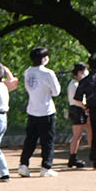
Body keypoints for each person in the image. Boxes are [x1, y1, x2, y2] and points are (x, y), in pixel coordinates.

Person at [18, 46, 62, 177]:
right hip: (46, 111)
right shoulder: (48, 73)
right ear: (44, 59)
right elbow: (56, 92)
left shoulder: (27, 72)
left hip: (32, 109)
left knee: (30, 139)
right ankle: (46, 167)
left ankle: (23, 164)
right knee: (47, 140)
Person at [64, 62, 92, 168]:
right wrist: (86, 107)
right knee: (77, 135)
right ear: (80, 72)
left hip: (81, 109)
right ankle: (72, 157)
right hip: (77, 110)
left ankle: (93, 152)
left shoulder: (79, 83)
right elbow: (77, 100)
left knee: (89, 131)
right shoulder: (74, 84)